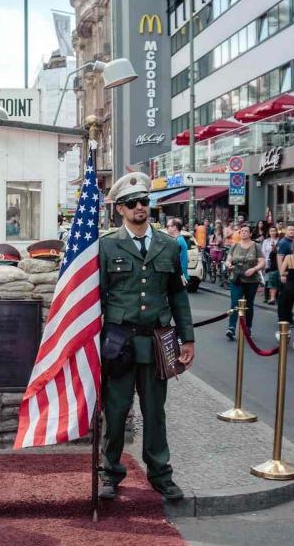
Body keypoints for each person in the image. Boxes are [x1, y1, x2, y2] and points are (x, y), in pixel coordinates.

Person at [96, 172, 194, 503]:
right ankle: (110, 472)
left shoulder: (168, 244)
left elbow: (178, 296)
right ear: (120, 210)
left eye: (144, 202)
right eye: (132, 203)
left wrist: (188, 339)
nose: (140, 207)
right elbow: (97, 296)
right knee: (117, 409)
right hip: (119, 343)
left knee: (155, 412)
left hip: (157, 343)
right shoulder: (107, 245)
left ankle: (160, 474)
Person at [224, 224, 264, 340]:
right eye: (242, 231)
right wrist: (228, 265)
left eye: (246, 231)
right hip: (236, 278)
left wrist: (254, 269)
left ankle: (248, 327)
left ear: (250, 233)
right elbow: (228, 260)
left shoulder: (256, 246)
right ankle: (231, 327)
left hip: (251, 280)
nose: (244, 233)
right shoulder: (235, 246)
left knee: (249, 304)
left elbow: (262, 262)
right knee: (235, 303)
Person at [261, 227, 280, 305]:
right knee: (267, 279)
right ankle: (266, 297)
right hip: (268, 262)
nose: (273, 232)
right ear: (269, 232)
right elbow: (263, 252)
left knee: (276, 279)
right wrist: (263, 263)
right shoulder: (266, 241)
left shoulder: (279, 241)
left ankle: (275, 297)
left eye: (274, 231)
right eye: (271, 231)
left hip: (277, 262)